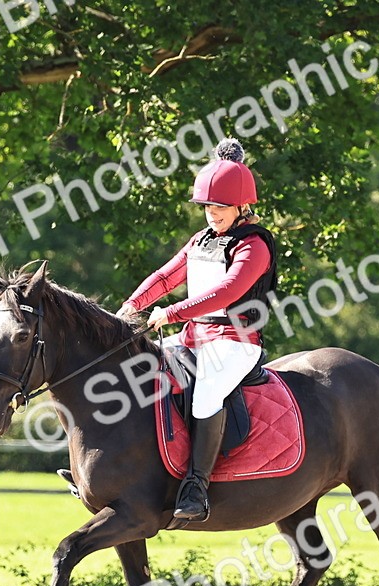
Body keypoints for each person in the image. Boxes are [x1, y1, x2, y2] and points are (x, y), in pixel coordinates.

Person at [117, 138, 278, 522]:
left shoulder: (254, 246)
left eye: (220, 207)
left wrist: (169, 313)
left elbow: (227, 292)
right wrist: (132, 305)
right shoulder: (202, 240)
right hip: (194, 337)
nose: (212, 213)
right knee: (138, 368)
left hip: (236, 342)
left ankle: (196, 485)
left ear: (242, 206)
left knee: (207, 394)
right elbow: (166, 275)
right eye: (207, 206)